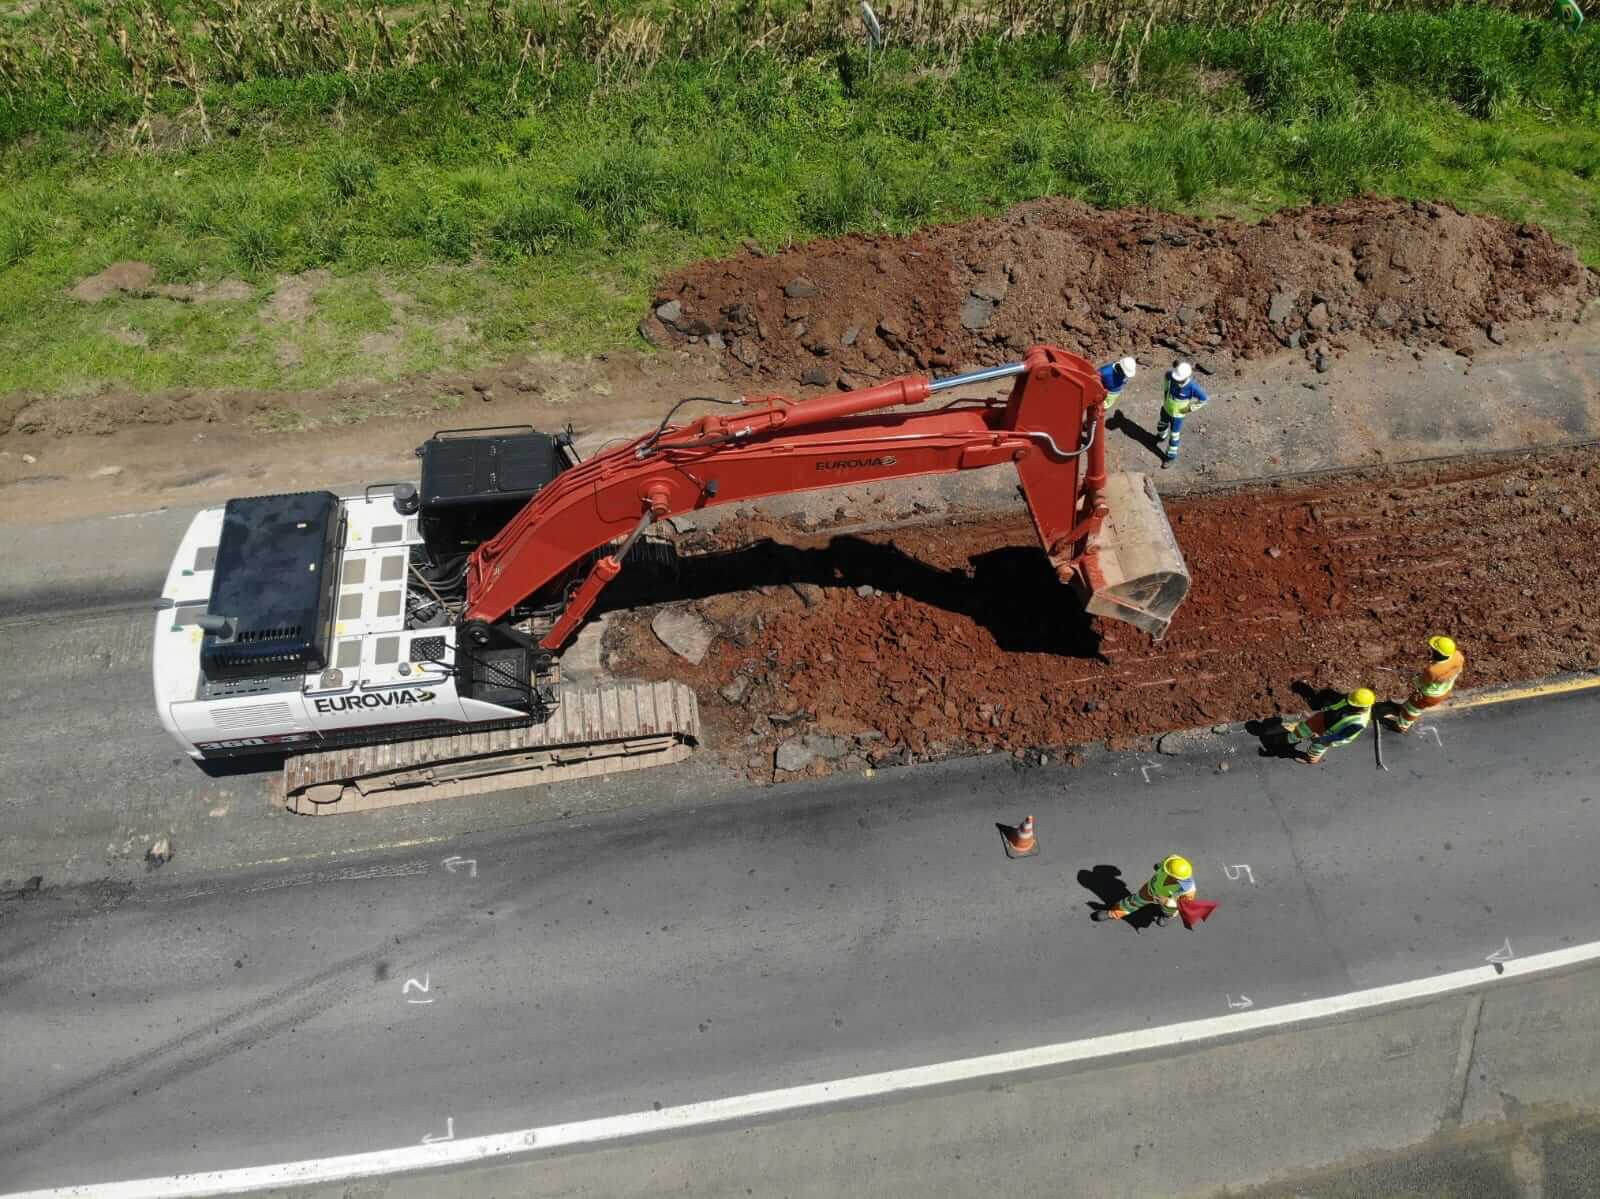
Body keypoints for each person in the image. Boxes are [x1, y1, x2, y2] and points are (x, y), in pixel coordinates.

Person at [1388, 635, 1465, 733]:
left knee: (1413, 709)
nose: (1431, 651)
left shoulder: (1433, 670)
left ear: (1438, 653)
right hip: (1445, 689)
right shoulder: (1458, 656)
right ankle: (1403, 709)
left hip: (1429, 695)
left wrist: (1414, 679)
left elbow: (1420, 682)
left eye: (1433, 650)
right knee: (1412, 703)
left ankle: (1402, 726)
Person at [1091, 855, 1195, 925]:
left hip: (1167, 903)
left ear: (1175, 878)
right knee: (1132, 902)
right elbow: (1162, 865)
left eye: (1166, 870)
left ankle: (1166, 917)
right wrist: (1159, 866)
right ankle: (1113, 913)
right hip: (1149, 890)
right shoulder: (1171, 862)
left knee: (1169, 912)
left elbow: (1184, 906)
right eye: (1164, 867)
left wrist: (1167, 902)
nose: (1163, 869)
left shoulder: (1188, 890)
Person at [1285, 688, 1375, 764]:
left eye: (1351, 703)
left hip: (1331, 735)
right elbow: (1335, 706)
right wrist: (1316, 714)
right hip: (1324, 719)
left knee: (1317, 747)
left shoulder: (1359, 723)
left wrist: (1321, 739)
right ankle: (1289, 739)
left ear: (1362, 707)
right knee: (1303, 729)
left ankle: (1311, 759)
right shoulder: (1350, 700)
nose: (1347, 701)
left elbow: (1341, 736)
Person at [1156, 361, 1208, 467]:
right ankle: (1161, 436)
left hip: (1178, 416)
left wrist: (1190, 408)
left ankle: (1170, 457)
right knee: (1161, 425)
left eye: (1179, 379)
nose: (1176, 381)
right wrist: (1166, 392)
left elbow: (1204, 399)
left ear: (1186, 377)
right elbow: (1167, 376)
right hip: (1166, 409)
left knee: (1174, 436)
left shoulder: (1193, 387)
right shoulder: (1172, 376)